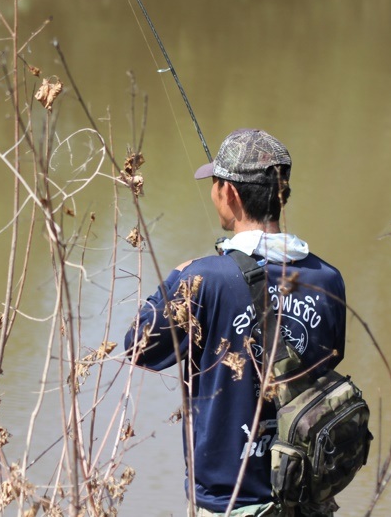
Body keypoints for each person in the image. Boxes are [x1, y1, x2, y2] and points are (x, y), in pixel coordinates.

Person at [124, 128, 347, 516]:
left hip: (230, 503)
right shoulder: (328, 279)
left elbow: (137, 346)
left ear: (229, 193)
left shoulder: (202, 279)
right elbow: (330, 360)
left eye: (215, 184)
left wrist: (175, 278)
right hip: (306, 497)